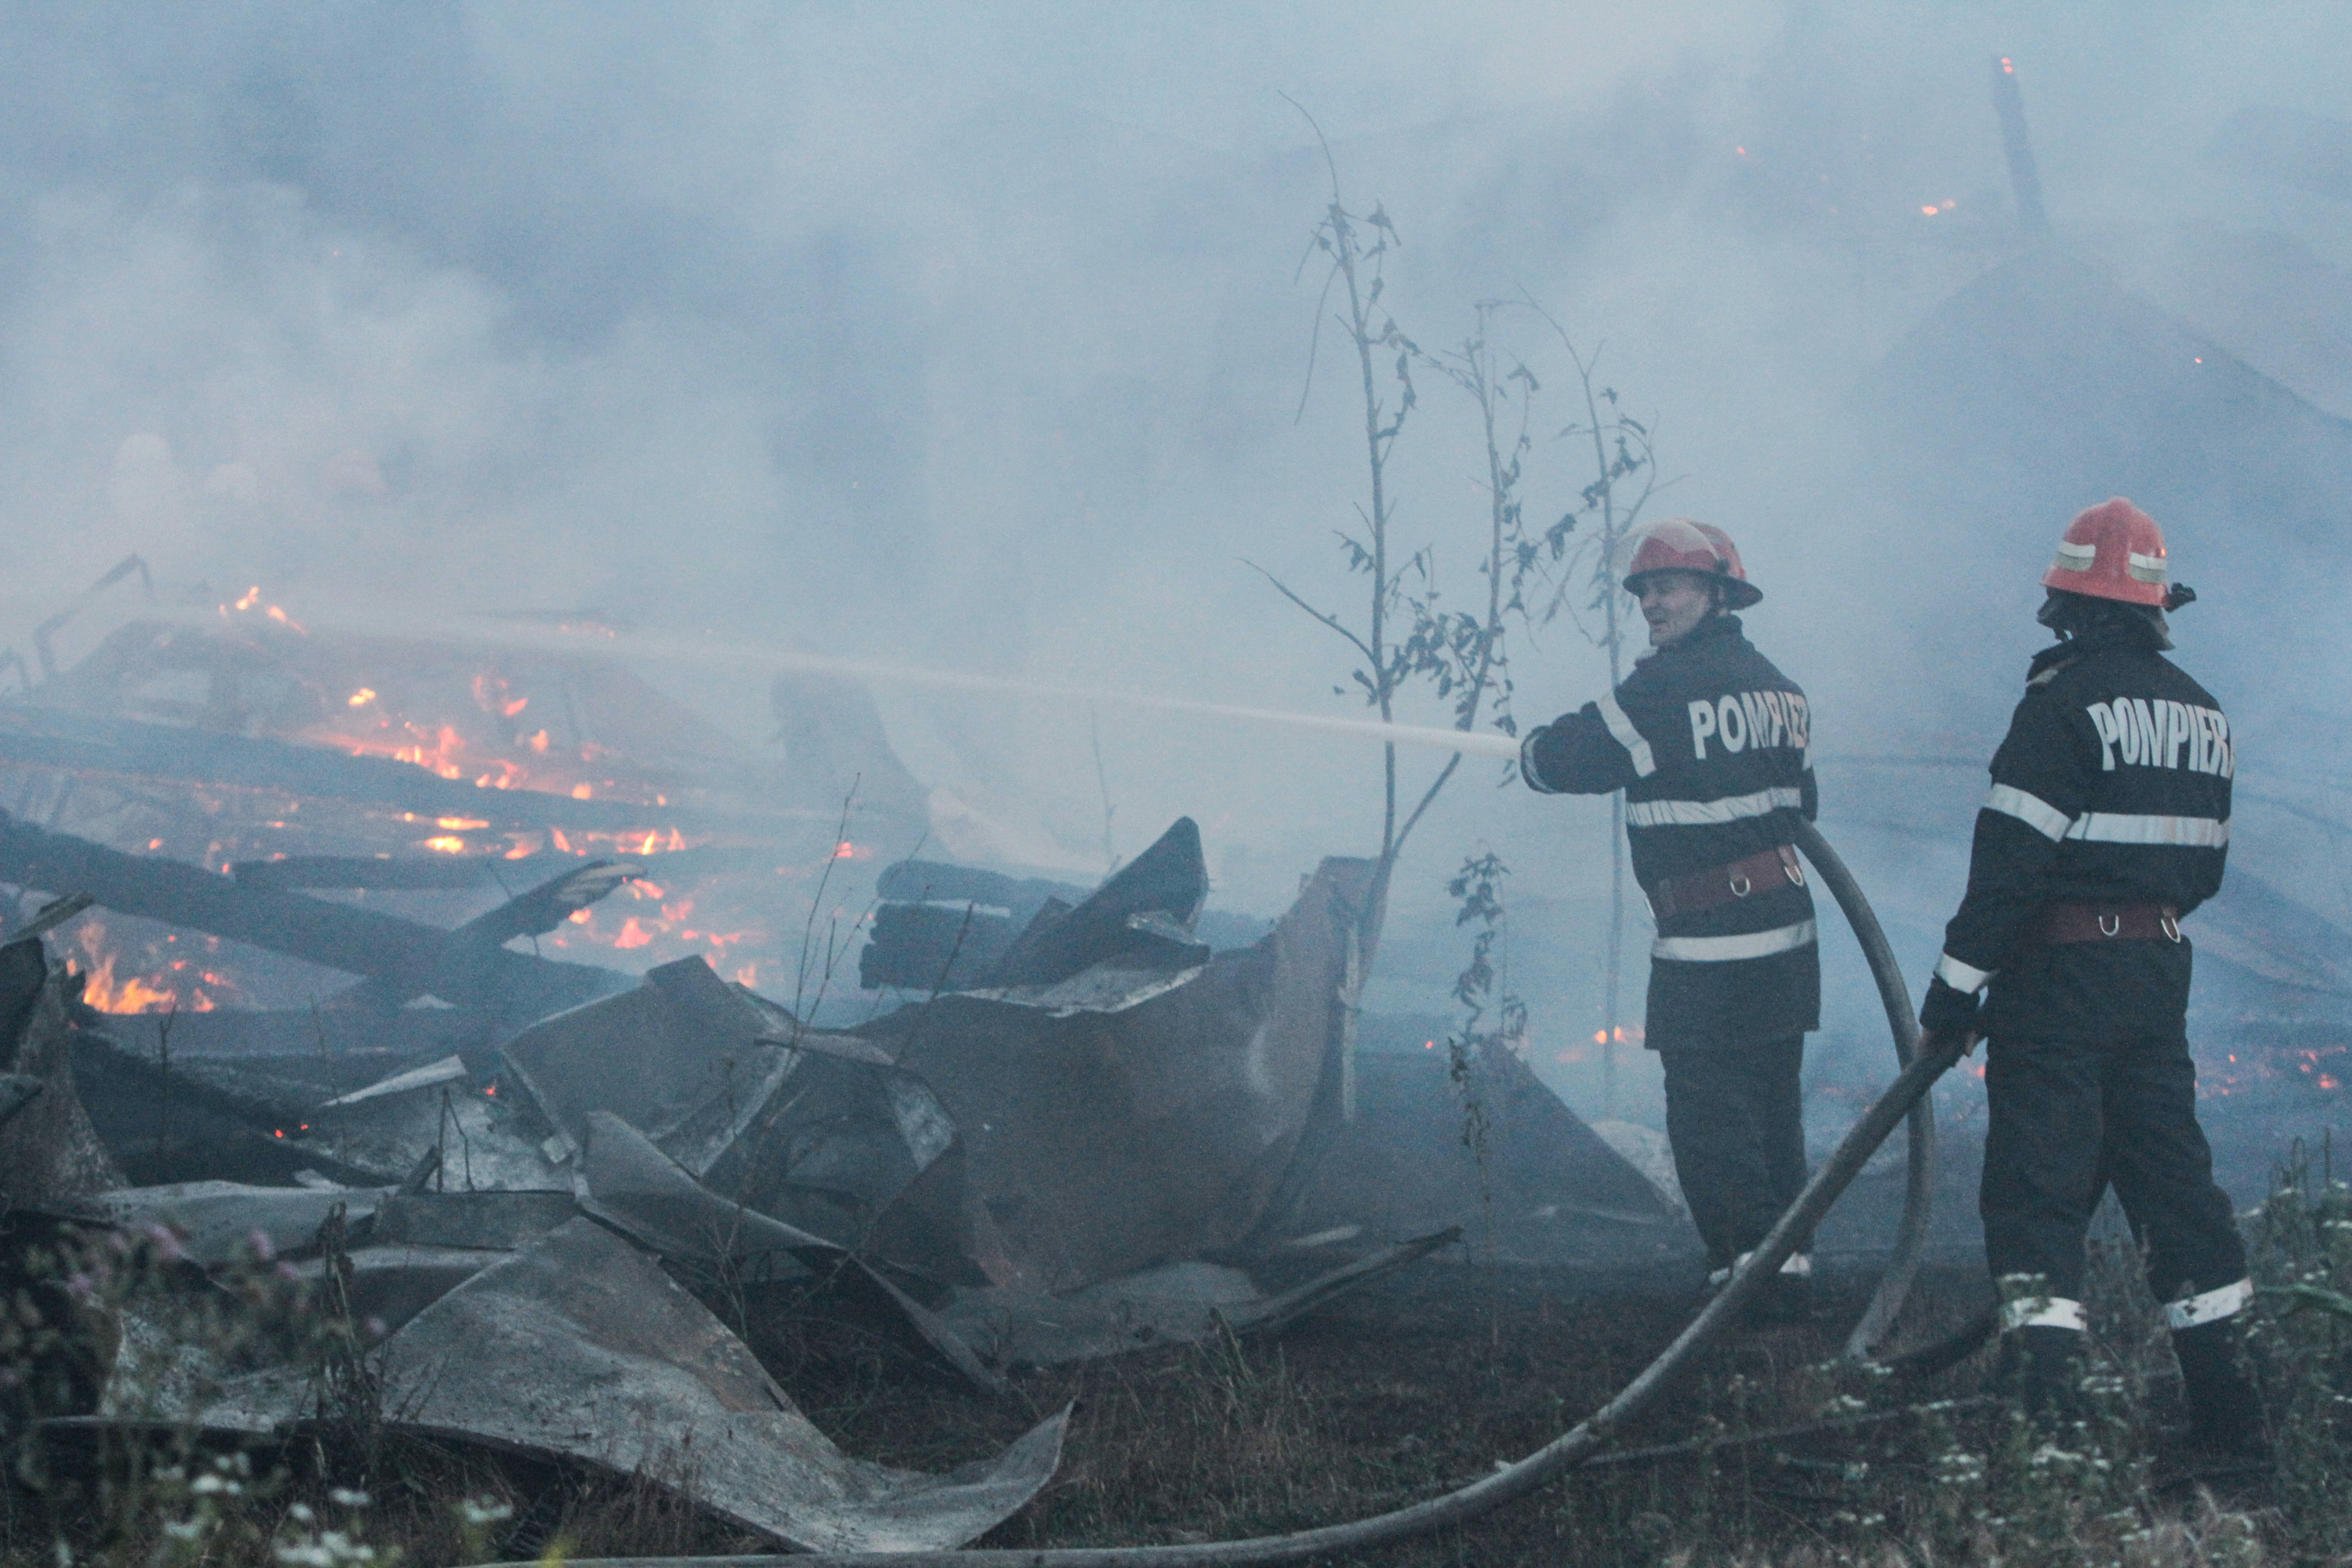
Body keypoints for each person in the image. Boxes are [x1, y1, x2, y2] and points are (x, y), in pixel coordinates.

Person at [1916, 497, 2264, 1455]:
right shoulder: (2203, 714)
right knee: (2177, 1196)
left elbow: (2008, 870)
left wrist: (1953, 992)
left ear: (2066, 607)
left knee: (2037, 1197)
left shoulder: (2060, 708)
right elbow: (2206, 872)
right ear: (2156, 607)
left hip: (2058, 984)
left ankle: (2052, 1439)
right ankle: (2235, 1426)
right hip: (2156, 974)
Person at [1519, 518, 1820, 1319]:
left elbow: (1570, 760)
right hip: (1789, 934)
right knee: (1769, 1104)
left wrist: (1529, 752)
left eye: (1670, 587)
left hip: (1710, 938)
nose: (1652, 604)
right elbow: (1805, 805)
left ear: (1717, 593)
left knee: (1707, 1111)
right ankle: (1786, 1268)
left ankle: (1743, 1278)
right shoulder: (1782, 690)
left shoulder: (1662, 688)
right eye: (1645, 590)